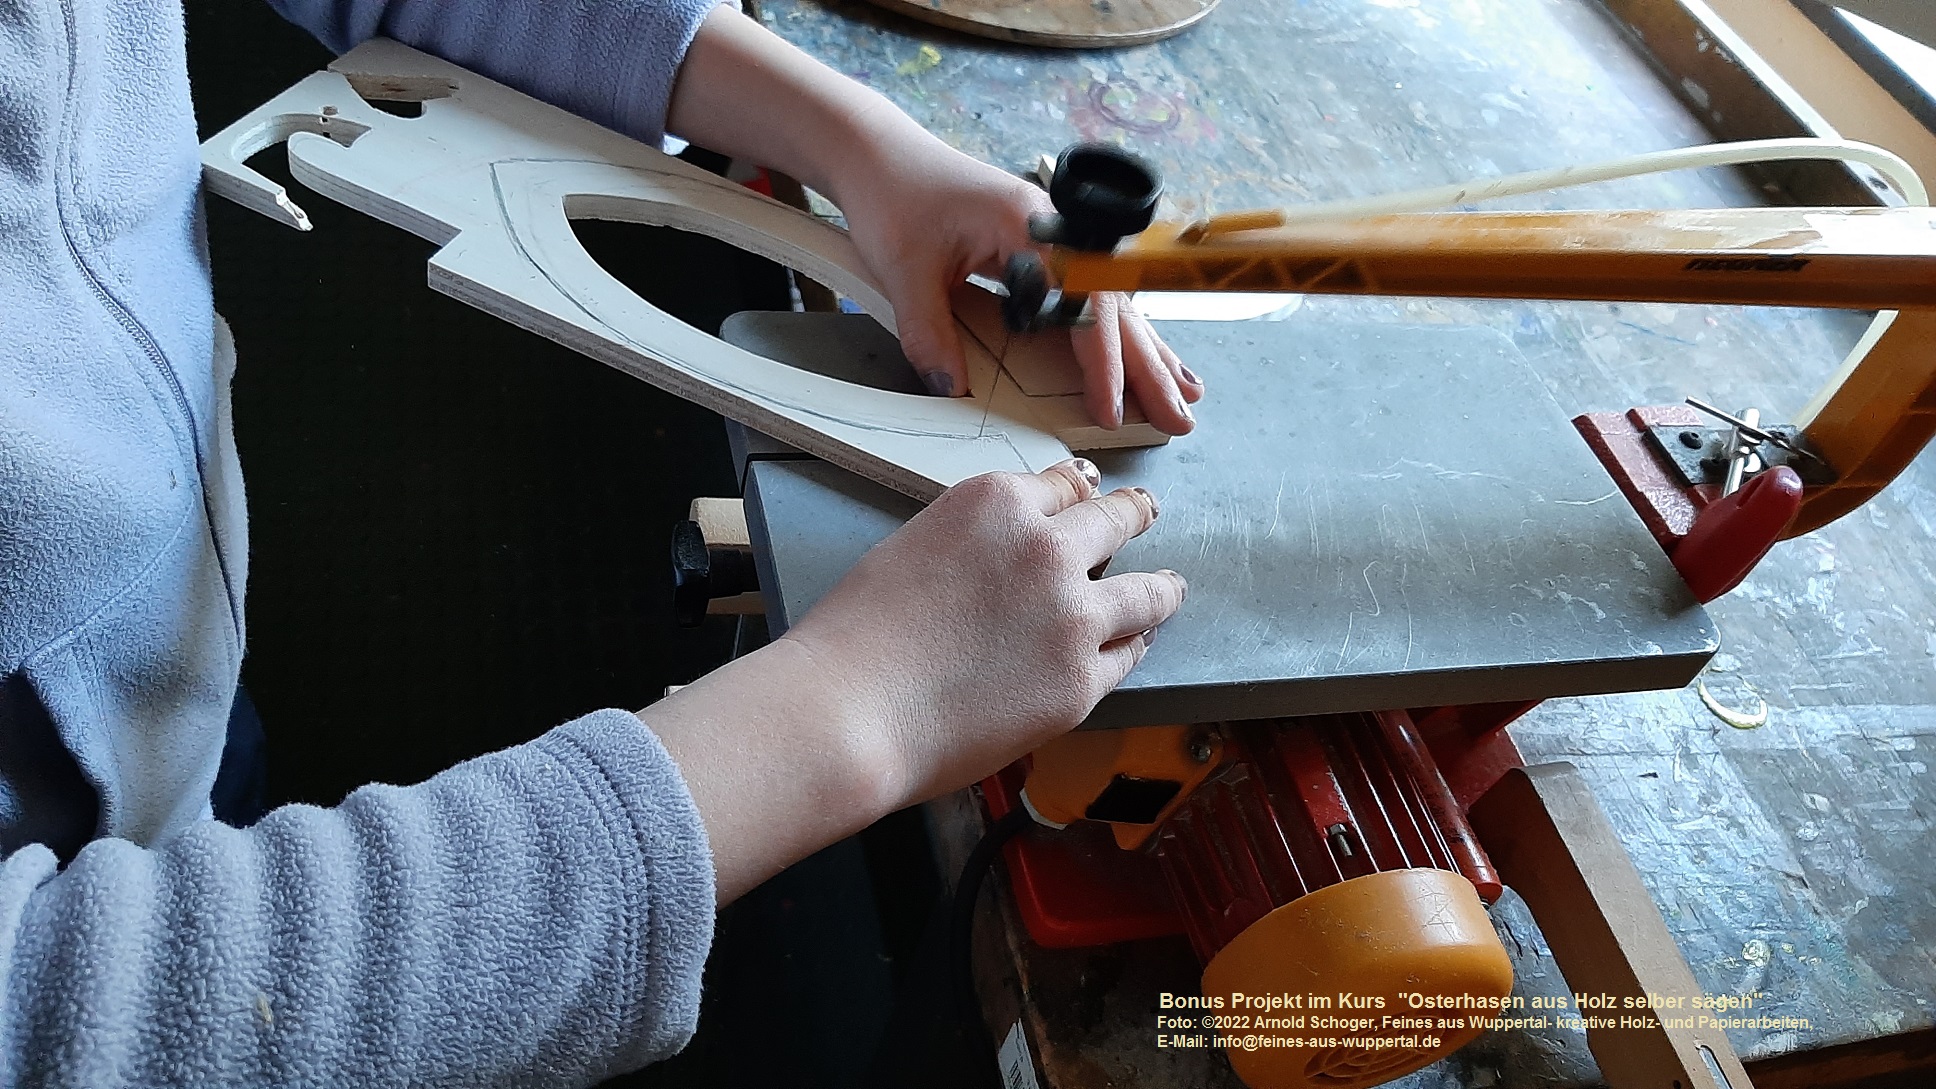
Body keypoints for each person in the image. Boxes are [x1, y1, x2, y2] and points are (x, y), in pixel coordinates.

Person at [0, 0, 1201, 1084]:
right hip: (59, 809)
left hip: (157, 667)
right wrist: (849, 712)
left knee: (200, 782)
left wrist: (860, 143)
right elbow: (71, 1016)